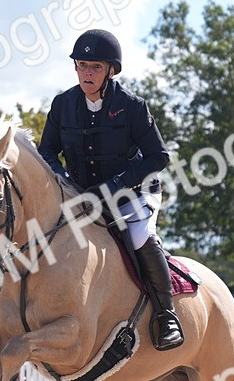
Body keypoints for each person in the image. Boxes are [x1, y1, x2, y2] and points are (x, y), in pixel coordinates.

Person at [38, 28, 182, 351]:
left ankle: (166, 315)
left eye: (96, 67)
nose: (88, 73)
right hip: (83, 195)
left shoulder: (131, 106)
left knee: (139, 236)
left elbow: (159, 156)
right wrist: (64, 182)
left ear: (110, 71)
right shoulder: (63, 106)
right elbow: (46, 151)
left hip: (134, 192)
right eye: (82, 65)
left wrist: (117, 185)